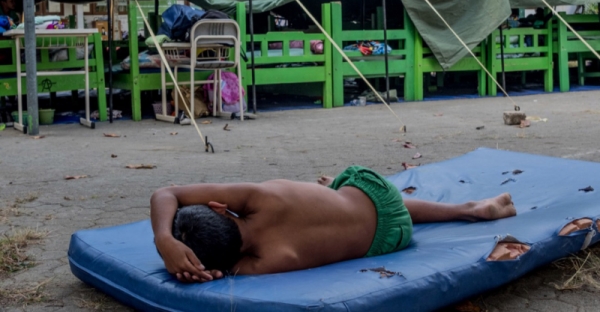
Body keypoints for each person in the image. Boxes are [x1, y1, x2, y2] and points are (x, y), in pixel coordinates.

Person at [151, 166, 516, 283]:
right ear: (219, 208)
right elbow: (166, 192)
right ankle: (467, 209)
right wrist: (163, 237)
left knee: (355, 215)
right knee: (346, 195)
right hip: (378, 194)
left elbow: (225, 272)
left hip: (390, 239)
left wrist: (185, 258)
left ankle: (327, 194)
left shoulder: (263, 264)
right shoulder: (254, 196)